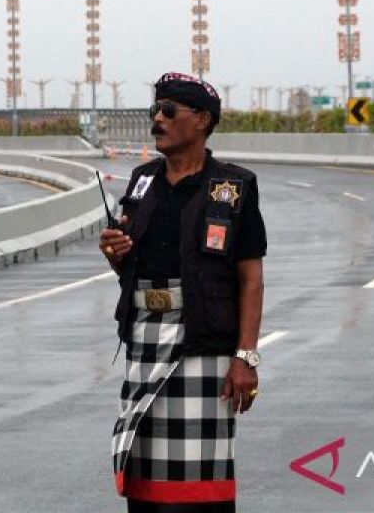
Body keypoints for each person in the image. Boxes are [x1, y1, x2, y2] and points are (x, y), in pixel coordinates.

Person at [102, 72, 268, 512]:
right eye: (155, 111)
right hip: (145, 344)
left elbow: (251, 279)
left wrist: (245, 358)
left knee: (202, 493)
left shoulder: (234, 189)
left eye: (169, 111)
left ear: (202, 121)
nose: (158, 119)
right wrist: (115, 251)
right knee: (143, 484)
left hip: (205, 348)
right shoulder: (141, 182)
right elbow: (129, 262)